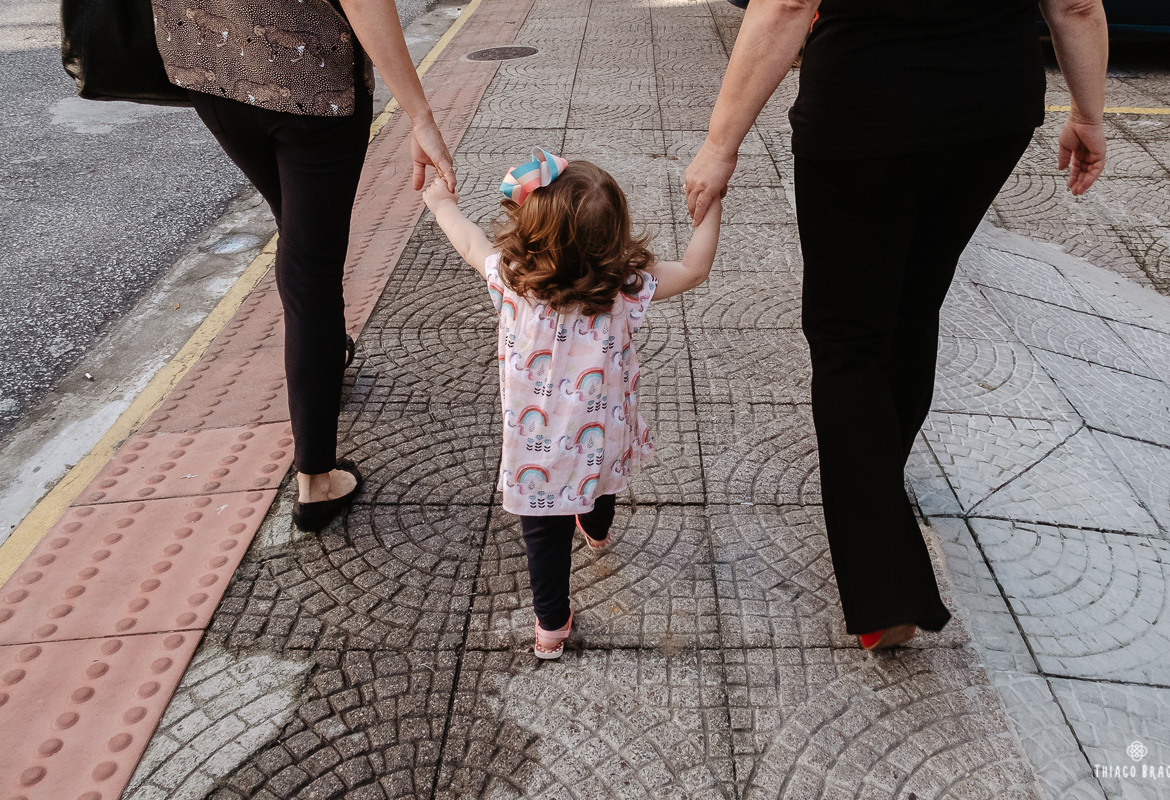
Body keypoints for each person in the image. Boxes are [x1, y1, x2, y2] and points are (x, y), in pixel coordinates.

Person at [684, 0, 1108, 650]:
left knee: (848, 341)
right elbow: (1076, 6)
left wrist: (720, 145)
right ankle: (877, 481)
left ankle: (885, 588)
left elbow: (787, 6)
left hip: (863, 110)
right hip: (990, 110)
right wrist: (1086, 114)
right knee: (914, 304)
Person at [152, 0, 456, 531]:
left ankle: (328, 352)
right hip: (309, 81)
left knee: (296, 230)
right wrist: (420, 115)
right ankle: (316, 479)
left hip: (209, 70)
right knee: (311, 266)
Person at [422, 149, 722, 658]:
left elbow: (470, 240)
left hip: (535, 450)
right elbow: (694, 270)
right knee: (601, 487)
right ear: (614, 239)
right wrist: (711, 205)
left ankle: (551, 627)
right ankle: (597, 530)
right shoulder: (624, 291)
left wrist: (439, 203)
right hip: (599, 439)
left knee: (543, 535)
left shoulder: (514, 280)